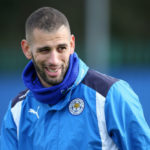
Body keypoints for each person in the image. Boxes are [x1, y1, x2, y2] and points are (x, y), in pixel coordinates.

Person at [0, 6, 150, 150]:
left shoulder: (111, 95)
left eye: (61, 48)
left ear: (72, 44)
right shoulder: (17, 112)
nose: (54, 60)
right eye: (45, 50)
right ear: (27, 49)